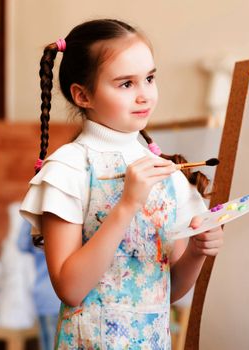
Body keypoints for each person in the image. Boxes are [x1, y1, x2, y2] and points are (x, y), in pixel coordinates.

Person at [20, 19, 224, 349]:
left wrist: (198, 252)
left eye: (150, 78)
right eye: (125, 84)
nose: (144, 95)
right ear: (82, 95)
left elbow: (166, 290)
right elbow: (70, 289)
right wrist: (127, 205)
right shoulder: (68, 168)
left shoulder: (167, 172)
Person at [17, 219, 60, 350]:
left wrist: (29, 218)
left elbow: (21, 244)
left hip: (45, 296)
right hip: (64, 296)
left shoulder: (38, 229)